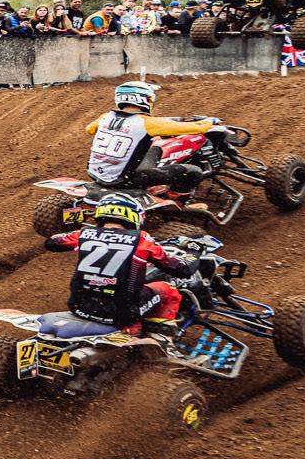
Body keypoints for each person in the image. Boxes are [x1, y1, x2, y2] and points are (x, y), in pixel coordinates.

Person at [42, 197, 196, 339]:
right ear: (133, 216)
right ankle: (162, 340)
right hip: (121, 314)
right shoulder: (142, 239)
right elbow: (182, 269)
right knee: (168, 290)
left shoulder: (82, 234)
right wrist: (193, 252)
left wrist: (80, 231)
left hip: (79, 307)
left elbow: (51, 243)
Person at [83, 81, 219, 193]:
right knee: (194, 172)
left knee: (156, 148)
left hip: (96, 173)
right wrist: (209, 122)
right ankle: (177, 202)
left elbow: (89, 129)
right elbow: (197, 128)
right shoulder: (147, 123)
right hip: (124, 180)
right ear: (146, 99)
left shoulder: (105, 117)